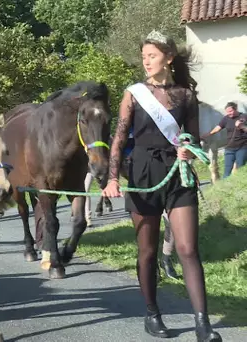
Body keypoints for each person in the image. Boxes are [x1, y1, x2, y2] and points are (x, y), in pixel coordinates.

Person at [102, 31, 222, 341]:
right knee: (148, 250)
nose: (146, 61)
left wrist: (187, 147)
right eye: (143, 57)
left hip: (177, 173)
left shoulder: (186, 95)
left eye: (152, 56)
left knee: (188, 249)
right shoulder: (134, 94)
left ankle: (202, 323)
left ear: (168, 57)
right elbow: (119, 139)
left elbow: (193, 139)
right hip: (142, 174)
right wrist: (113, 179)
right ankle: (152, 314)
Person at [201, 101, 247, 178]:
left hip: (242, 147)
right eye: (227, 112)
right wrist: (209, 134)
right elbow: (218, 127)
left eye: (230, 111)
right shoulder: (226, 118)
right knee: (226, 172)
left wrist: (242, 126)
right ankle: (225, 187)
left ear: (235, 109)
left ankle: (237, 185)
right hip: (230, 148)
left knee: (240, 169)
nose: (229, 113)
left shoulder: (244, 117)